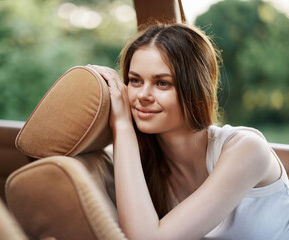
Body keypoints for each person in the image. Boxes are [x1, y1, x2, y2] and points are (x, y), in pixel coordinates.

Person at [88, 23, 289, 240]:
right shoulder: (142, 164)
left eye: (162, 83)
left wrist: (123, 124)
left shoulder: (248, 149)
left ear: (195, 88)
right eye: (135, 80)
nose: (143, 95)